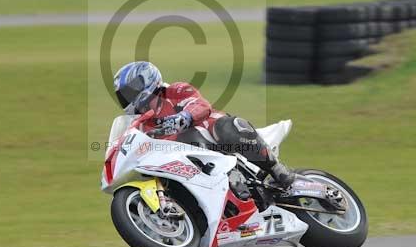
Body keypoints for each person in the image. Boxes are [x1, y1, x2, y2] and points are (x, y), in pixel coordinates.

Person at [113, 61, 295, 189]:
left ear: (147, 81)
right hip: (185, 163)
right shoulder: (143, 124)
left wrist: (183, 117)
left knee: (220, 128)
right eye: (123, 95)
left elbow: (201, 105)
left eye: (129, 91)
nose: (127, 98)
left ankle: (277, 169)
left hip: (214, 139)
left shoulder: (175, 91)